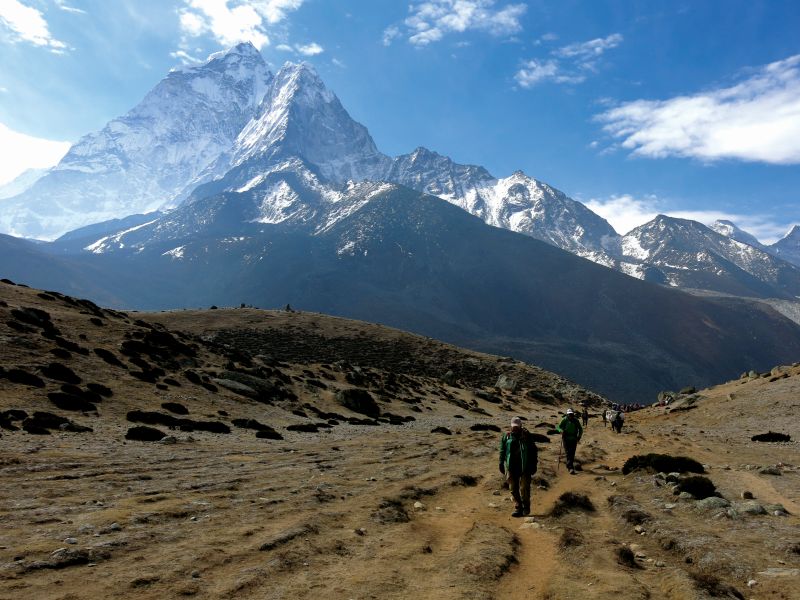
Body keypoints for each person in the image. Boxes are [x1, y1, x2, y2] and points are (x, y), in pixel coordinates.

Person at [499, 416, 538, 517]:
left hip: (525, 466)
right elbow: (502, 450)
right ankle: (518, 507)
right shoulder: (506, 436)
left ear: (520, 426)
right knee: (513, 488)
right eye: (513, 426)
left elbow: (534, 451)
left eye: (517, 426)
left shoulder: (526, 436)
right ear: (511, 426)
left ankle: (526, 507)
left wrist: (534, 464)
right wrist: (500, 463)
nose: (515, 428)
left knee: (524, 487)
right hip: (511, 466)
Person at [556, 408, 583, 475]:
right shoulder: (564, 420)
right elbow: (558, 427)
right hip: (566, 439)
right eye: (569, 414)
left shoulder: (576, 420)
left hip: (574, 438)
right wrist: (561, 431)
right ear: (567, 414)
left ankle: (569, 465)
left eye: (571, 414)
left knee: (572, 453)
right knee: (568, 453)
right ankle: (570, 467)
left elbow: (580, 429)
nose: (570, 415)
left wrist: (579, 437)